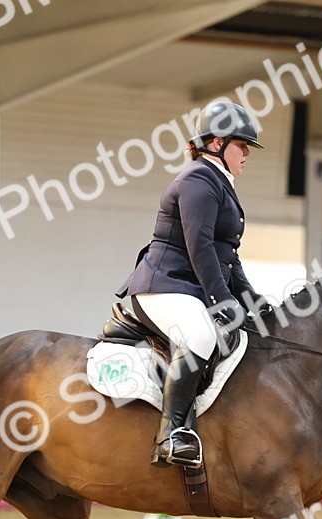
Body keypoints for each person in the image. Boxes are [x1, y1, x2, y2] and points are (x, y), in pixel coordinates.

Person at [116, 100, 271, 468]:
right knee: (202, 335)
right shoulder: (198, 181)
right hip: (163, 286)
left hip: (187, 288)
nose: (247, 153)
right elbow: (199, 246)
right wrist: (221, 300)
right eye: (241, 144)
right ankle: (171, 435)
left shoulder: (218, 183)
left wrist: (250, 299)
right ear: (217, 143)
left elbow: (226, 256)